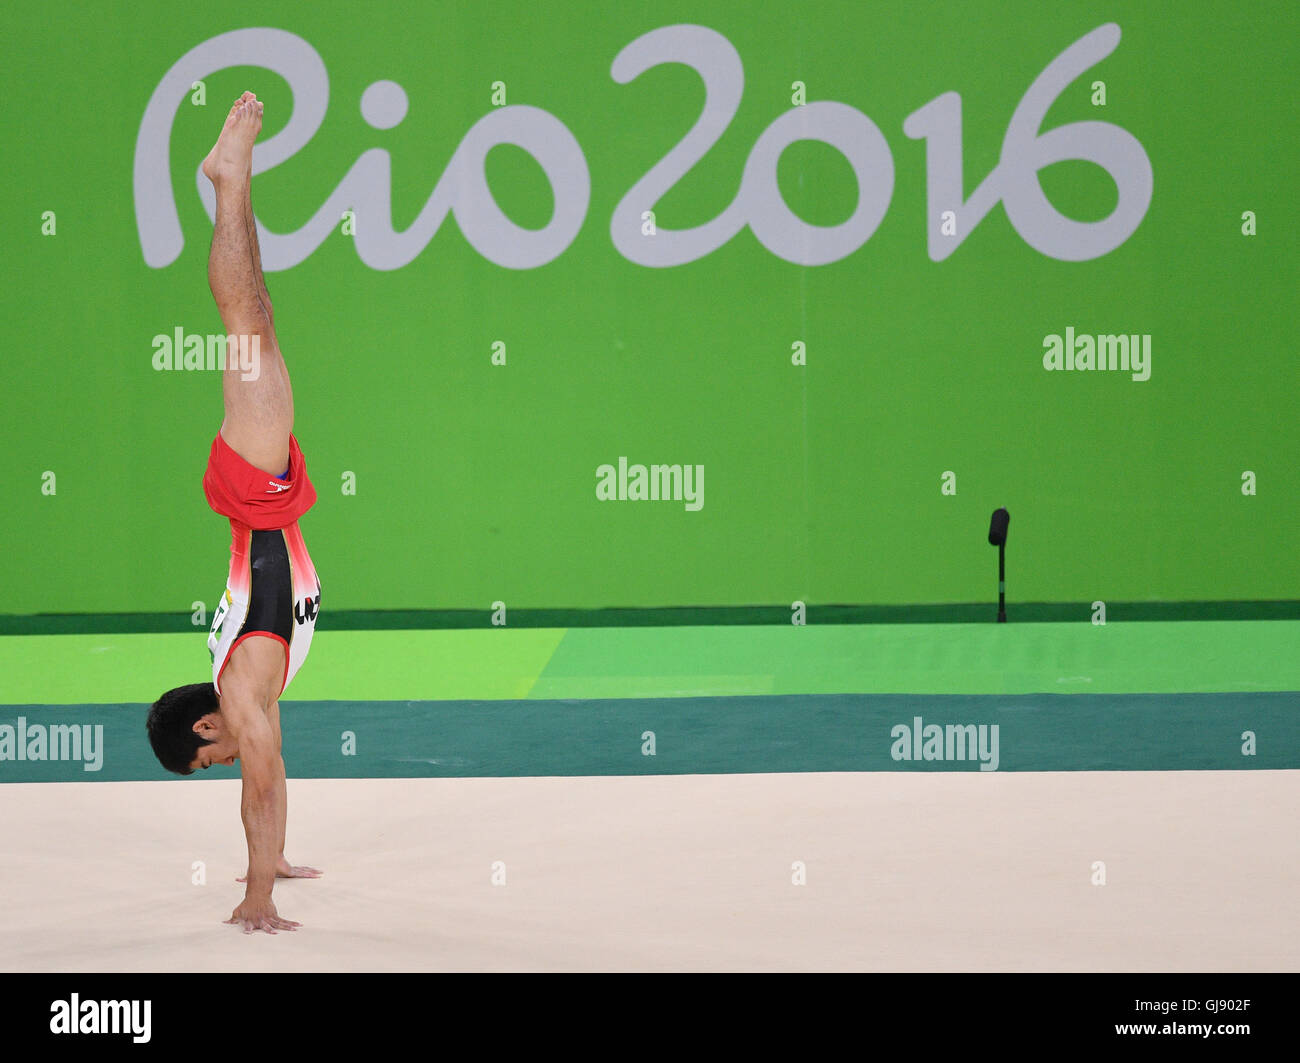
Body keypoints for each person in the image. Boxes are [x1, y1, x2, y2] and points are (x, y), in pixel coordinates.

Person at [147, 92, 322, 934]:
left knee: (245, 323)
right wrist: (277, 856)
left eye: (206, 753)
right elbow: (272, 775)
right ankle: (229, 181)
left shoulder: (242, 689)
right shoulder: (250, 688)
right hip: (264, 497)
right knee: (257, 321)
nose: (225, 760)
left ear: (208, 724)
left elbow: (258, 779)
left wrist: (257, 893)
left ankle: (230, 179)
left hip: (256, 494)